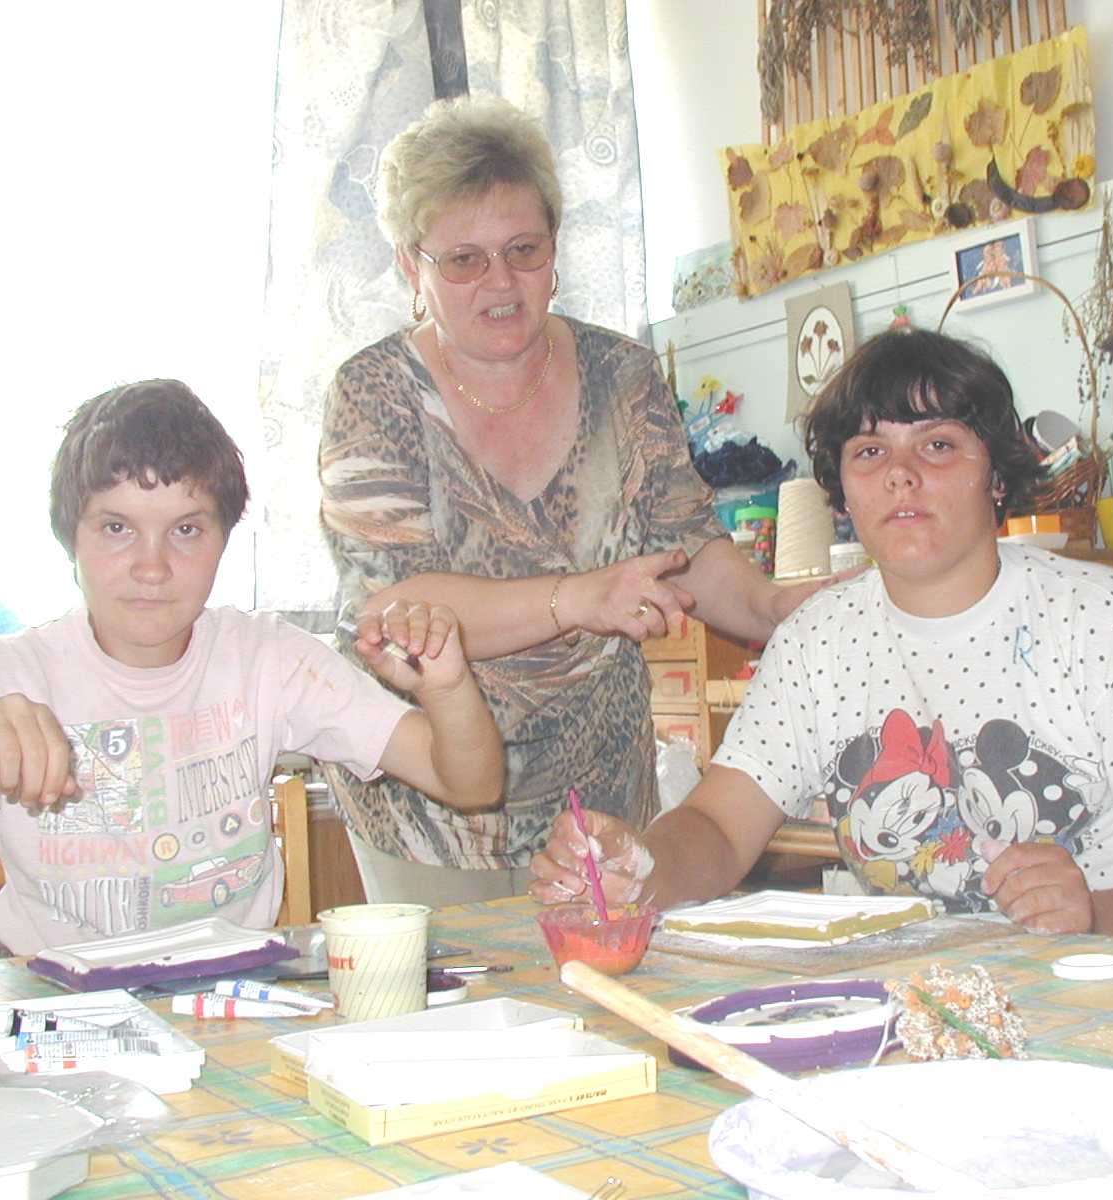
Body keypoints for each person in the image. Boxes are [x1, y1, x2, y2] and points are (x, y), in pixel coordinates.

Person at [533, 329, 1113, 946]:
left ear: (997, 477)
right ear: (841, 491)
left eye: (938, 445)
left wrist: (1093, 914)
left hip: (1104, 1001)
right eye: (870, 453)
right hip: (917, 1017)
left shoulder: (1105, 623)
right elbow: (718, 829)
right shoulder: (818, 641)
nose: (902, 475)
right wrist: (638, 869)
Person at [319, 95, 827, 905]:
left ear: (555, 248)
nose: (501, 281)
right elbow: (398, 606)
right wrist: (580, 599)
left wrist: (772, 606)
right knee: (466, 1024)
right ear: (410, 267)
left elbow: (685, 544)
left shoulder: (620, 375)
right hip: (435, 798)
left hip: (601, 792)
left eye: (525, 249)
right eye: (464, 260)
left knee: (609, 1010)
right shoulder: (373, 393)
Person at [0, 380, 503, 955]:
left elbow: (467, 782)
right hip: (58, 1013)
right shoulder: (15, 675)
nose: (152, 567)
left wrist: (447, 687)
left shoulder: (267, 658)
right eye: (116, 528)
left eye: (186, 529)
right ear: (71, 538)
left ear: (224, 540)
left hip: (230, 1004)